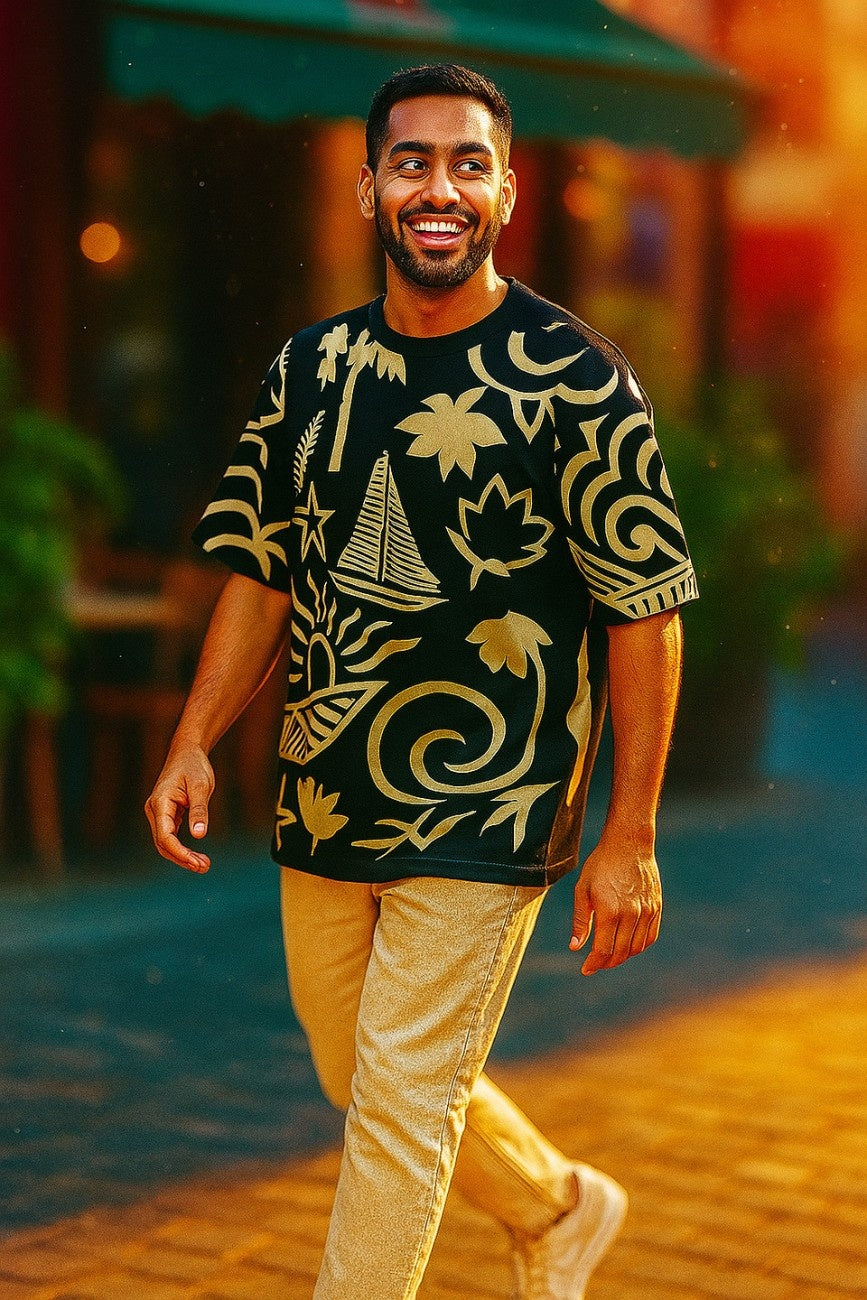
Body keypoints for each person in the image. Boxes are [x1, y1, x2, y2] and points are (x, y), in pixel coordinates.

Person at [146, 63, 697, 1300]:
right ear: (368, 189)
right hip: (325, 790)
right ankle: (557, 1209)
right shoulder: (312, 372)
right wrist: (192, 740)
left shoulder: (581, 380)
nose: (436, 187)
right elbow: (260, 568)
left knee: (395, 1106)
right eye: (411, 161)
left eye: (465, 163)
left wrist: (633, 832)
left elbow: (646, 611)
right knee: (359, 1069)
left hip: (494, 796)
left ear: (507, 190)